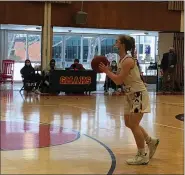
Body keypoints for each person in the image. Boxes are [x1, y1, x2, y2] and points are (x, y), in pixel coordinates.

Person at [99, 35, 159, 165]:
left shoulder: (128, 60)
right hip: (129, 95)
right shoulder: (121, 59)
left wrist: (106, 71)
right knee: (128, 122)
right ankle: (150, 141)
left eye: (117, 41)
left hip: (138, 94)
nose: (115, 43)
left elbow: (118, 80)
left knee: (134, 124)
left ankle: (142, 155)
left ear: (123, 44)